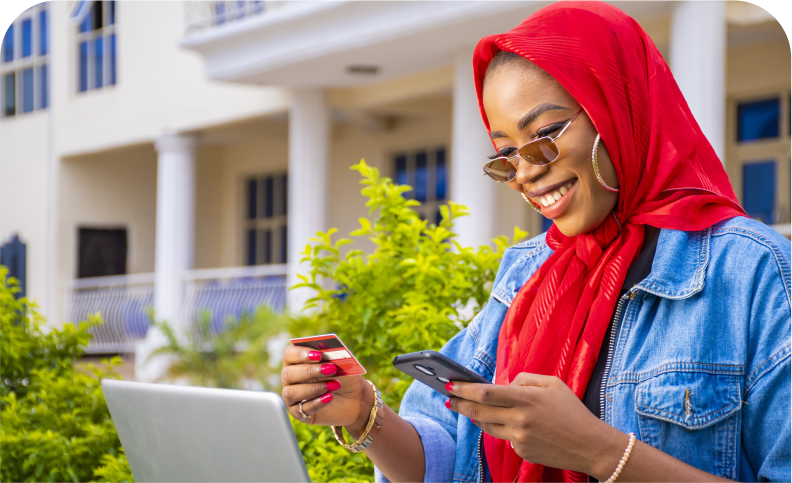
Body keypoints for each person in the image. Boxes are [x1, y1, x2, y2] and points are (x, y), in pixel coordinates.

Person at [280, 1, 792, 482]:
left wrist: (599, 451)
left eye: (545, 132)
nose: (526, 173)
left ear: (618, 108)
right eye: (507, 154)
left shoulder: (752, 271)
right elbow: (443, 456)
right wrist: (362, 413)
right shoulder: (528, 273)